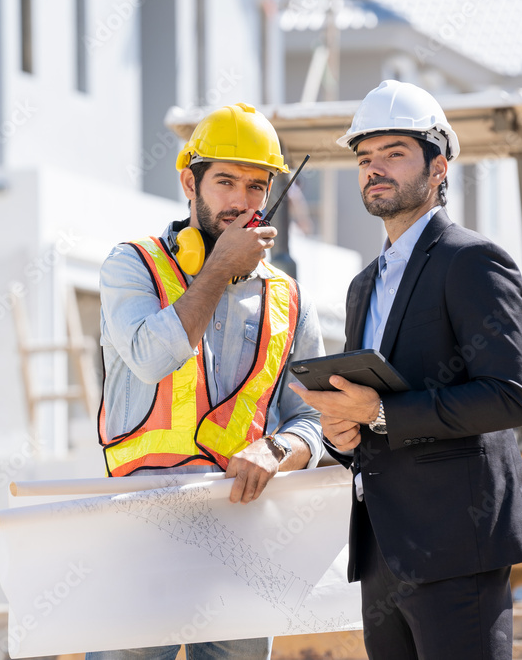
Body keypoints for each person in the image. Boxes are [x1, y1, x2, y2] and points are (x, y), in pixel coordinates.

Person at [291, 80, 522, 659]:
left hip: (458, 543)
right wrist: (342, 432)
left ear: (439, 166)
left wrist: (380, 411)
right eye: (364, 158)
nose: (374, 169)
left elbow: (509, 396)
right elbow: (368, 412)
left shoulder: (472, 261)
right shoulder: (363, 285)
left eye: (393, 153)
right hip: (384, 549)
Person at [92, 102, 326, 660]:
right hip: (140, 529)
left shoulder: (288, 299)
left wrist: (278, 448)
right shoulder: (133, 267)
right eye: (225, 181)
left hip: (241, 537)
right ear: (188, 182)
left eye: (255, 185)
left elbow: (314, 419)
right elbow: (152, 358)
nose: (242, 200)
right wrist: (219, 269)